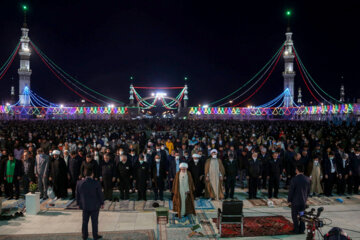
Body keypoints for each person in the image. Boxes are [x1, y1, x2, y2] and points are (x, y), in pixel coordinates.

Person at [76, 167, 104, 240]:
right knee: (94, 222)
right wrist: (102, 203)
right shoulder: (96, 183)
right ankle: (95, 235)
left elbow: (77, 195)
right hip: (95, 205)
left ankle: (84, 235)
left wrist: (78, 204)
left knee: (85, 221)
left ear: (84, 174)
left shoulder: (79, 183)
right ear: (92, 174)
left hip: (84, 205)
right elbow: (100, 194)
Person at [288, 164, 310, 234]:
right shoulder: (307, 179)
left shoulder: (294, 179)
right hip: (303, 201)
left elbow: (291, 191)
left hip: (295, 202)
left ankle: (296, 229)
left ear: (297, 170)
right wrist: (306, 199)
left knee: (294, 216)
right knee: (302, 215)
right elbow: (308, 191)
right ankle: (302, 229)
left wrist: (289, 200)